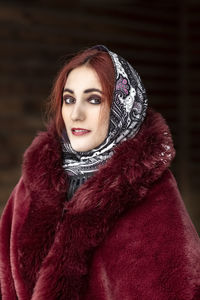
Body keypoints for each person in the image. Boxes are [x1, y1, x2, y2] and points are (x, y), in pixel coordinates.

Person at [0, 45, 200, 300]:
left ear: (123, 106)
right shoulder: (31, 187)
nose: (76, 114)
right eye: (69, 99)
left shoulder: (153, 193)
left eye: (94, 99)